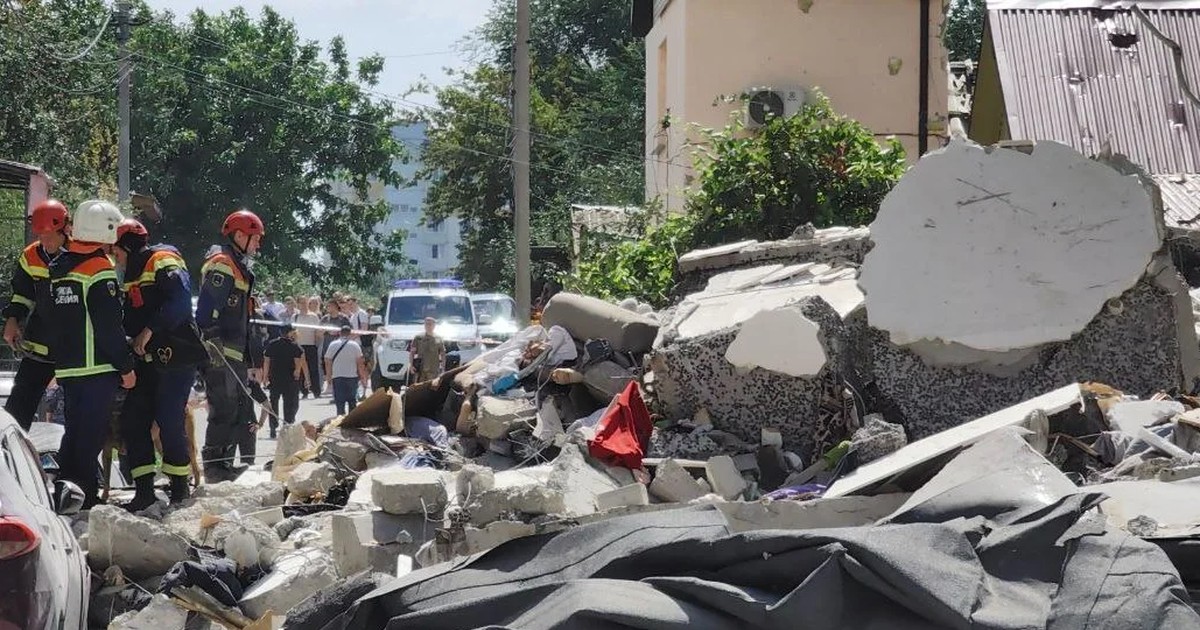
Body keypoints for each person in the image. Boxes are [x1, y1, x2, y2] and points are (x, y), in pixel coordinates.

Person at [112, 218, 206, 509]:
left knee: (169, 419)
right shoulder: (131, 274)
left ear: (127, 246)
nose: (115, 258)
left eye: (116, 251)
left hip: (175, 356)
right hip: (147, 360)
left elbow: (180, 302)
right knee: (133, 420)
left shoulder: (162, 259)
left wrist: (149, 329)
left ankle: (179, 488)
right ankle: (144, 493)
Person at [49, 200, 135, 507]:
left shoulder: (60, 268)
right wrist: (125, 366)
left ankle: (64, 492)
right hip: (96, 366)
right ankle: (84, 498)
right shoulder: (99, 269)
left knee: (73, 433)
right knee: (91, 435)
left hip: (69, 367)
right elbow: (108, 326)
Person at [197, 209, 262, 483]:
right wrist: (214, 345)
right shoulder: (223, 265)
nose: (258, 244)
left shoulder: (238, 265)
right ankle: (214, 468)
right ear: (239, 236)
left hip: (233, 354)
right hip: (220, 353)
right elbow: (206, 311)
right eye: (255, 238)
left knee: (234, 410)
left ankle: (223, 464)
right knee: (223, 409)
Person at [2, 199, 70, 430]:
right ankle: (9, 449)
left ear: (65, 230)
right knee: (17, 409)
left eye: (50, 236)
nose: (45, 242)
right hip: (40, 346)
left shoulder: (84, 254)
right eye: (41, 236)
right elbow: (22, 294)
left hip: (75, 350)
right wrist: (12, 320)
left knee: (78, 413)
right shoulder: (31, 256)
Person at [263, 323, 305, 436]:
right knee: (289, 403)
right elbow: (298, 362)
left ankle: (273, 426)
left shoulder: (272, 344)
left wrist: (265, 377)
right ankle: (287, 424)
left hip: (275, 378)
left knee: (273, 403)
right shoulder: (294, 346)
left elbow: (266, 361)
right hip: (290, 379)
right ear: (290, 332)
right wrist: (297, 372)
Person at [324, 324, 367, 415]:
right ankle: (351, 420)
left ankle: (340, 419)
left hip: (337, 377)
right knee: (352, 402)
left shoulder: (333, 345)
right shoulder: (355, 345)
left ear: (340, 333)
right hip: (352, 377)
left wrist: (328, 376)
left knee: (339, 402)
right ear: (350, 333)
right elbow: (360, 363)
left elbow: (327, 362)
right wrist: (363, 377)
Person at [294, 296, 322, 398]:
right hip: (299, 346)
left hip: (311, 345)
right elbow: (292, 332)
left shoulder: (314, 316)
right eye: (301, 303)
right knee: (300, 369)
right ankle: (304, 391)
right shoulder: (295, 317)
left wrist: (317, 343)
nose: (304, 305)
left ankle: (316, 391)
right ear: (298, 304)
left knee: (313, 369)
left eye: (305, 302)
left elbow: (318, 332)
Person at [408, 316, 445, 384]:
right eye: (426, 324)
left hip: (433, 369)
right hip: (421, 369)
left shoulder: (438, 338)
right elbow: (412, 352)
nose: (428, 326)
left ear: (434, 325)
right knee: (418, 387)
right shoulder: (418, 338)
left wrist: (443, 368)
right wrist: (410, 365)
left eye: (430, 324)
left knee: (432, 387)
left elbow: (442, 354)